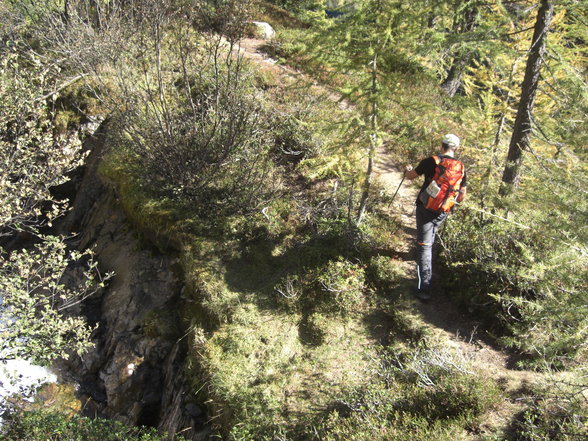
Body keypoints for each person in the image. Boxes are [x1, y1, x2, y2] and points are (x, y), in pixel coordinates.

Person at [404, 134, 467, 300]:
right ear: (456, 148)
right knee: (429, 240)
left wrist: (406, 170)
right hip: (444, 210)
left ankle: (424, 288)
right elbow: (461, 197)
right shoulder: (460, 167)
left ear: (442, 145)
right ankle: (427, 267)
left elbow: (410, 176)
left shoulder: (432, 161)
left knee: (424, 246)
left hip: (426, 207)